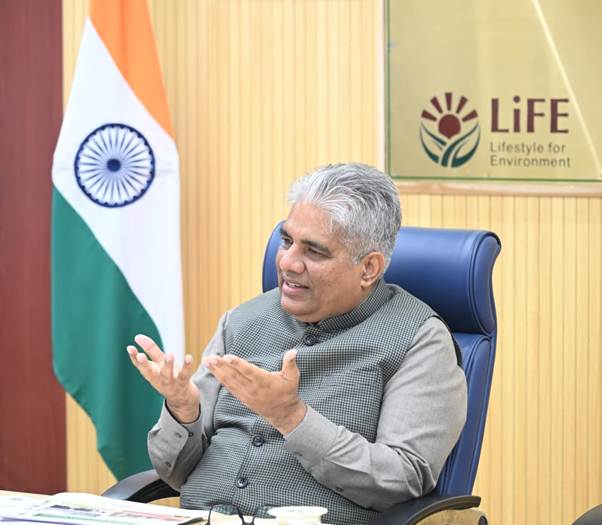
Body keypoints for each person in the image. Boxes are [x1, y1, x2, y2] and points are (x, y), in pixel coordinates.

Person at [126, 163, 467, 525]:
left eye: (314, 252)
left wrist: (291, 418)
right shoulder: (242, 321)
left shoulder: (419, 339)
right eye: (287, 241)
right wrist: (183, 411)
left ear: (368, 268)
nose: (288, 262)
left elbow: (401, 479)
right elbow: (174, 473)